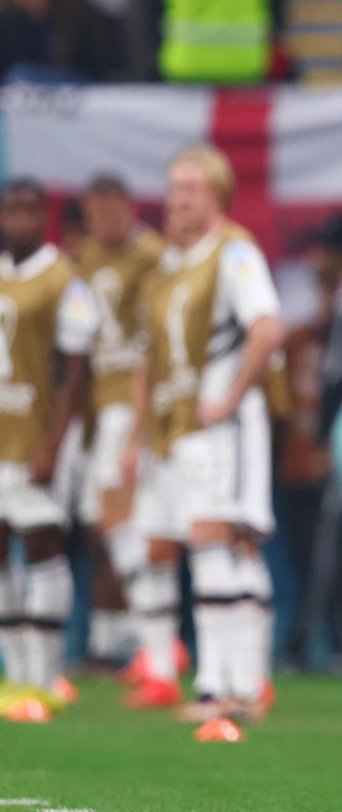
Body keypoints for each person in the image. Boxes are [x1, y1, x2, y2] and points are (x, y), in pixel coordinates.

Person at [122, 144, 284, 728]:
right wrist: (136, 435)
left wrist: (230, 397)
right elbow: (150, 359)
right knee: (200, 546)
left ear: (217, 193)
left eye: (190, 188)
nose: (178, 200)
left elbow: (267, 329)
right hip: (175, 431)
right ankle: (238, 685)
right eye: (173, 188)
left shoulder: (234, 251)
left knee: (217, 541)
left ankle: (222, 688)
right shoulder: (168, 266)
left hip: (220, 426)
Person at [0, 178, 99, 721]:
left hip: (39, 438)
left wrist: (55, 445)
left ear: (44, 217)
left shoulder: (64, 279)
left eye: (28, 211)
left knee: (41, 547)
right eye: (10, 210)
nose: (18, 220)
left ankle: (45, 676)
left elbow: (75, 371)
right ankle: (16, 677)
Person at [74, 174, 165, 676]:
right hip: (100, 403)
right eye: (95, 215)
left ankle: (151, 640)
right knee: (103, 521)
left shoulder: (152, 256)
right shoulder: (86, 257)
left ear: (129, 208)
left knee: (124, 517)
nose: (104, 224)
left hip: (133, 402)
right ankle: (117, 637)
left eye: (111, 213)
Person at [279, 216, 342, 669]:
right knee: (324, 546)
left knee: (339, 546)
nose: (316, 259)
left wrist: (337, 440)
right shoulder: (339, 304)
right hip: (332, 437)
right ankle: (334, 641)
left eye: (324, 251)